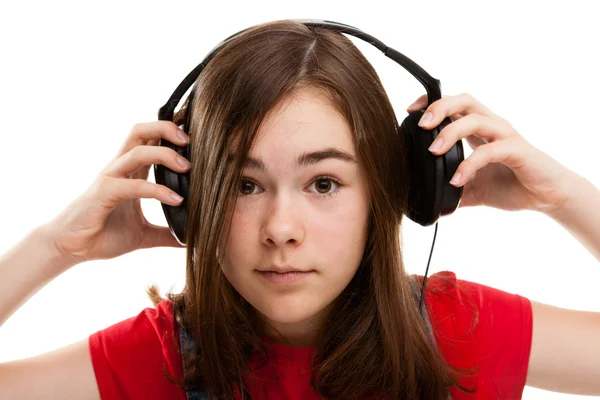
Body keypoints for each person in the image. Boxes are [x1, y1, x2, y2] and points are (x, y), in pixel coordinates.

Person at [1, 19, 599, 400]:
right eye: (243, 185)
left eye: (323, 183)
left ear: (391, 190)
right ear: (190, 201)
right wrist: (52, 246)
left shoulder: (459, 329)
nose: (281, 230)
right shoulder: (158, 359)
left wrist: (564, 196)